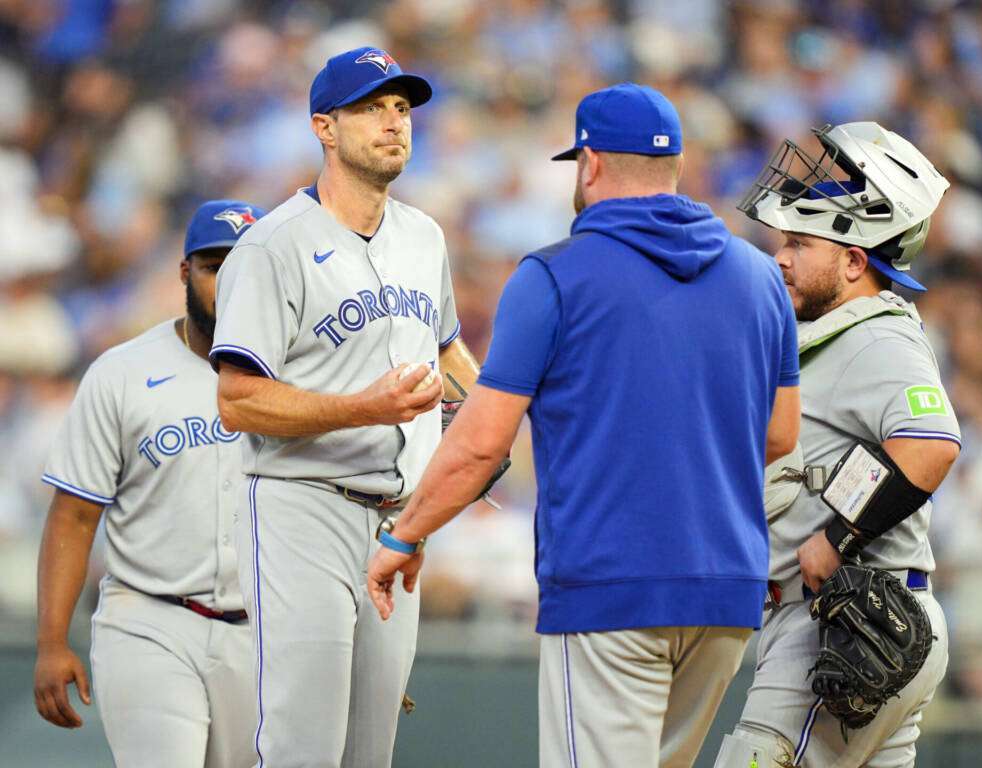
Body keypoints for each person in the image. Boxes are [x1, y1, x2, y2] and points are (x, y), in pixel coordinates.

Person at [366, 82, 802, 767]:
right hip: (726, 591)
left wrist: (407, 531)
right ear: (676, 166)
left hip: (610, 586)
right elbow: (780, 434)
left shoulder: (554, 276)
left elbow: (482, 444)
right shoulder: (758, 275)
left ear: (590, 163)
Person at [210, 47, 482, 768]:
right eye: (371, 108)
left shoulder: (424, 236)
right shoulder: (273, 245)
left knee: (371, 752)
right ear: (324, 128)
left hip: (399, 522)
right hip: (302, 507)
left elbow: (447, 351)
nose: (393, 123)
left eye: (401, 108)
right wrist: (364, 408)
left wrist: (489, 417)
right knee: (303, 746)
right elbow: (237, 401)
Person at [714, 122, 960, 767]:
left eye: (799, 242)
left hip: (851, 616)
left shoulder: (879, 339)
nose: (781, 258)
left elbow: (930, 445)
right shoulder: (838, 335)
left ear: (855, 261)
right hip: (861, 614)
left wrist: (837, 533)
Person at [34, 199, 266, 768]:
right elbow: (74, 514)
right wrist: (50, 641)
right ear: (185, 272)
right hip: (150, 618)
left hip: (264, 632)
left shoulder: (302, 374)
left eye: (245, 268)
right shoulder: (122, 373)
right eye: (215, 267)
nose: (229, 283)